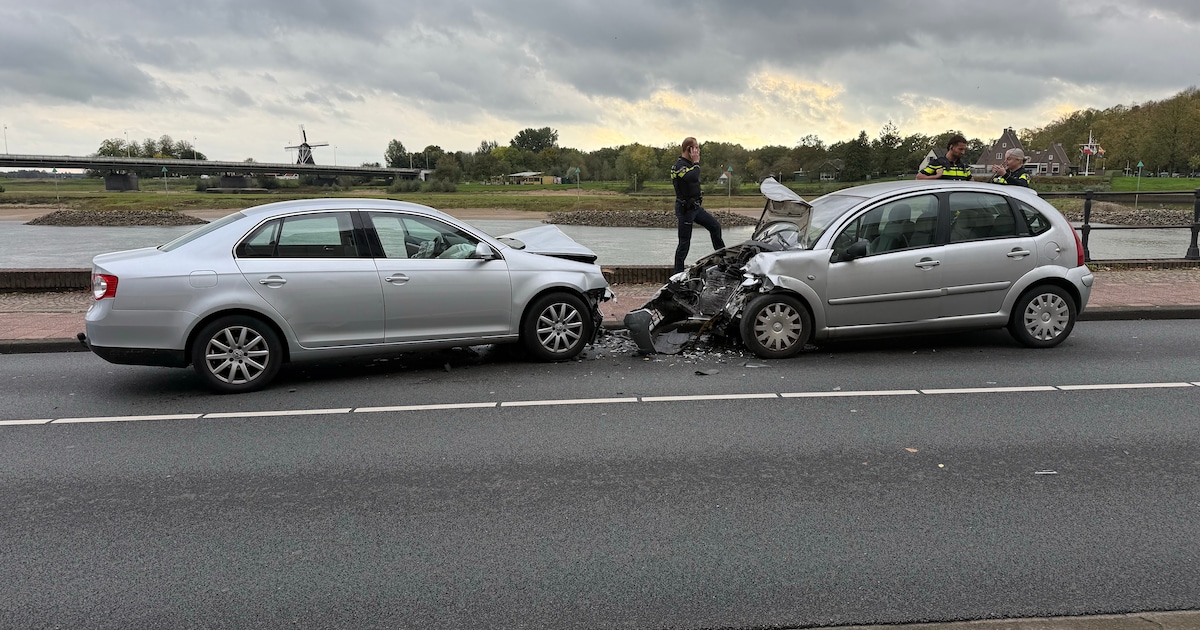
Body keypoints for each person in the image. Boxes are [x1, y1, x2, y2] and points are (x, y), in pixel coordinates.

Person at [671, 137, 725, 272]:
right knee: (684, 243)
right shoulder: (679, 166)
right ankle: (676, 275)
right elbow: (692, 177)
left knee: (715, 227)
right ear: (689, 149)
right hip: (685, 210)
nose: (698, 150)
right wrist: (696, 162)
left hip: (695, 208)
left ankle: (723, 260)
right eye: (696, 147)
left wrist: (695, 164)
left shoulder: (690, 165)